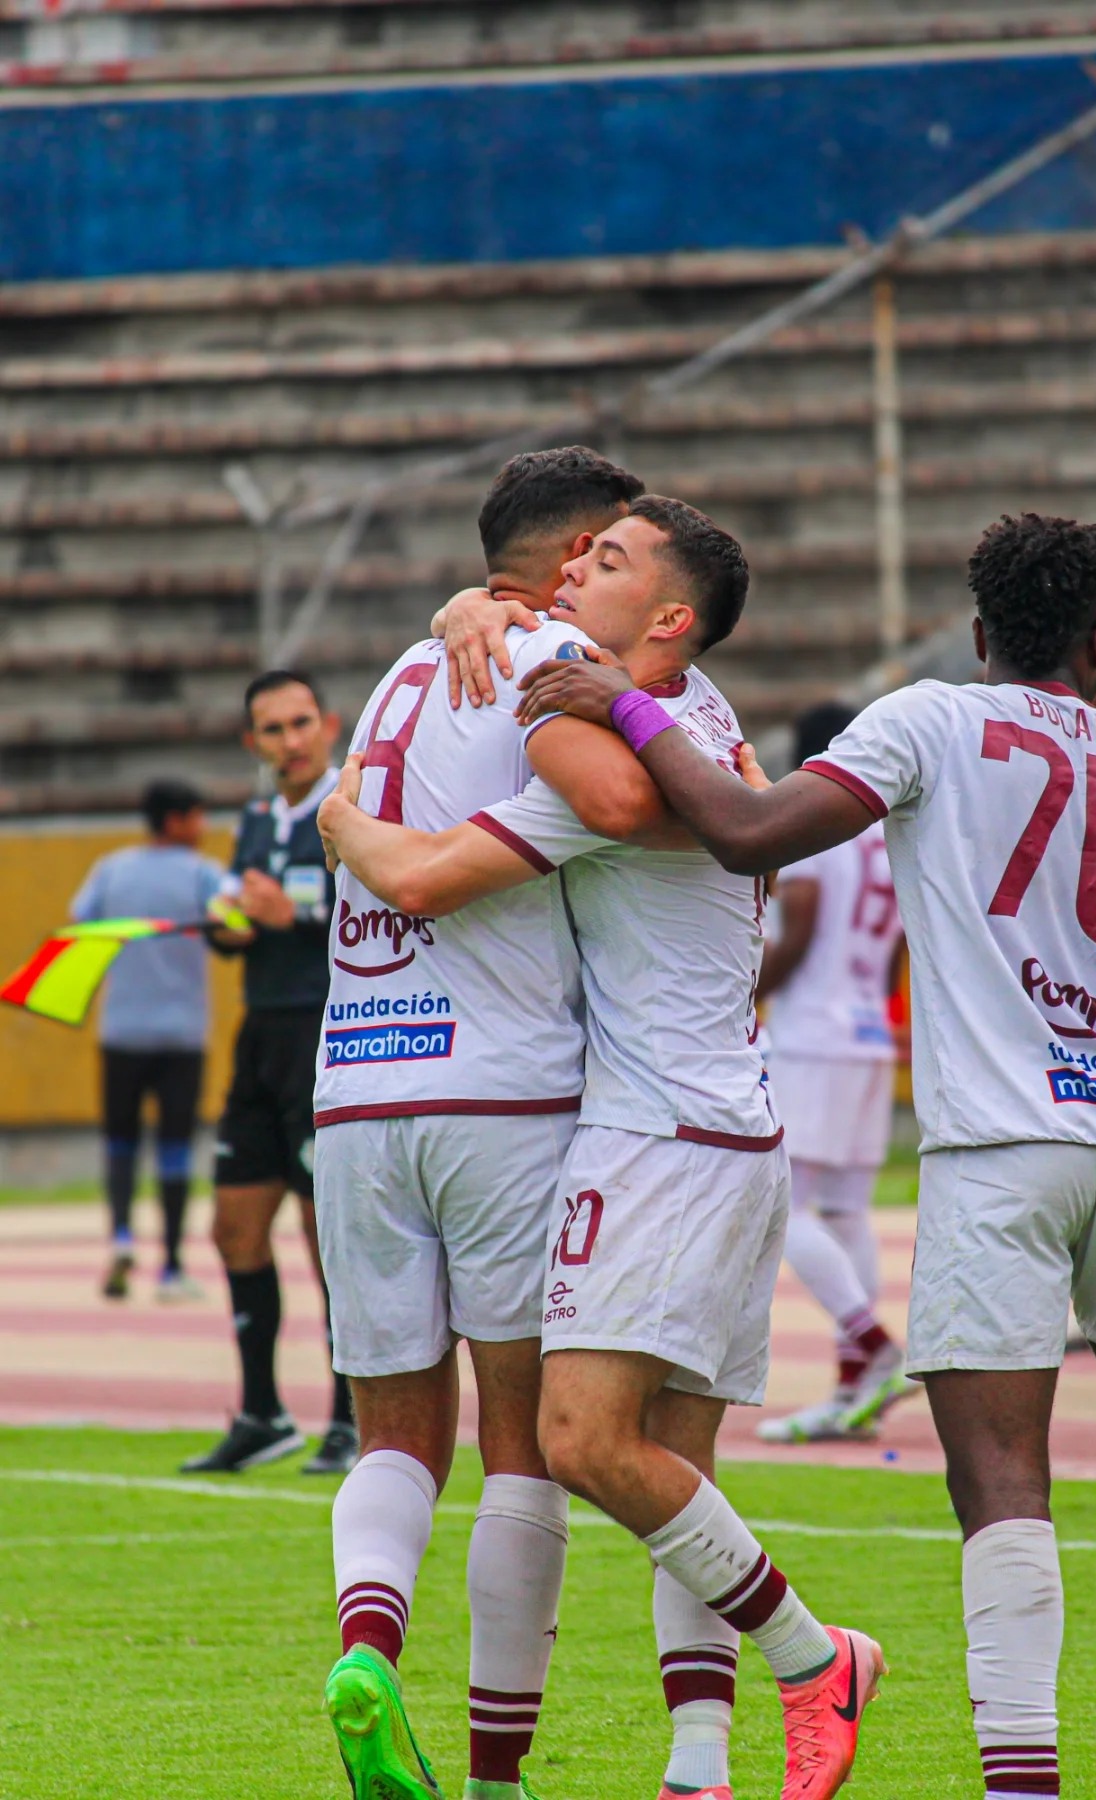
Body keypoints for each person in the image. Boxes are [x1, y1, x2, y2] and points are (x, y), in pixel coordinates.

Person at [513, 512, 1096, 1800]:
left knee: (1002, 1479)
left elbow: (747, 831)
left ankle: (1023, 1784)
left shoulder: (930, 718)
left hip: (1001, 1153)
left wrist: (629, 704)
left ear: (982, 631)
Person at [320, 497, 885, 1800]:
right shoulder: (699, 715)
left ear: (668, 618)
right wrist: (492, 621)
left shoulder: (616, 738)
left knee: (576, 1444)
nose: (579, 573)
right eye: (575, 554)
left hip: (660, 1132)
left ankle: (818, 1658)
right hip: (719, 1120)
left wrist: (344, 826)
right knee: (672, 1471)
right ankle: (700, 1771)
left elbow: (429, 874)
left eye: (610, 560)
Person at [313, 445, 662, 1800]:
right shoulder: (554, 658)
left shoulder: (408, 666)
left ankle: (365, 1646)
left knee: (396, 1432)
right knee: (521, 1444)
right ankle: (499, 1779)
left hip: (359, 1092)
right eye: (614, 545)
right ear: (573, 553)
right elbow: (624, 798)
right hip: (501, 1093)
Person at [181, 671, 357, 1477]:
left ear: (326, 724)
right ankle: (261, 1413)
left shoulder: (352, 804)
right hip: (260, 1037)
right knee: (234, 1229)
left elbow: (389, 905)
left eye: (299, 723)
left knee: (330, 1239)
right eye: (271, 730)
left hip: (327, 1036)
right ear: (252, 742)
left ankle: (352, 1418)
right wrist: (230, 927)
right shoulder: (254, 821)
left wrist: (300, 918)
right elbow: (229, 928)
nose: (289, 740)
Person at [757, 701, 908, 1445]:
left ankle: (872, 1343)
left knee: (783, 1206)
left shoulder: (820, 819)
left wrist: (746, 988)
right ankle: (855, 1384)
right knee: (845, 1210)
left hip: (814, 1034)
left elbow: (804, 927)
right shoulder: (888, 832)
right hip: (869, 1031)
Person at [70, 778, 223, 1301]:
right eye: (198, 817)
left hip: (122, 1030)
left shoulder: (111, 869)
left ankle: (119, 1239)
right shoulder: (202, 874)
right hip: (181, 1034)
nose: (202, 828)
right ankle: (172, 1268)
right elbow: (232, 922)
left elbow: (79, 924)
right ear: (176, 821)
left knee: (120, 1141)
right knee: (176, 1148)